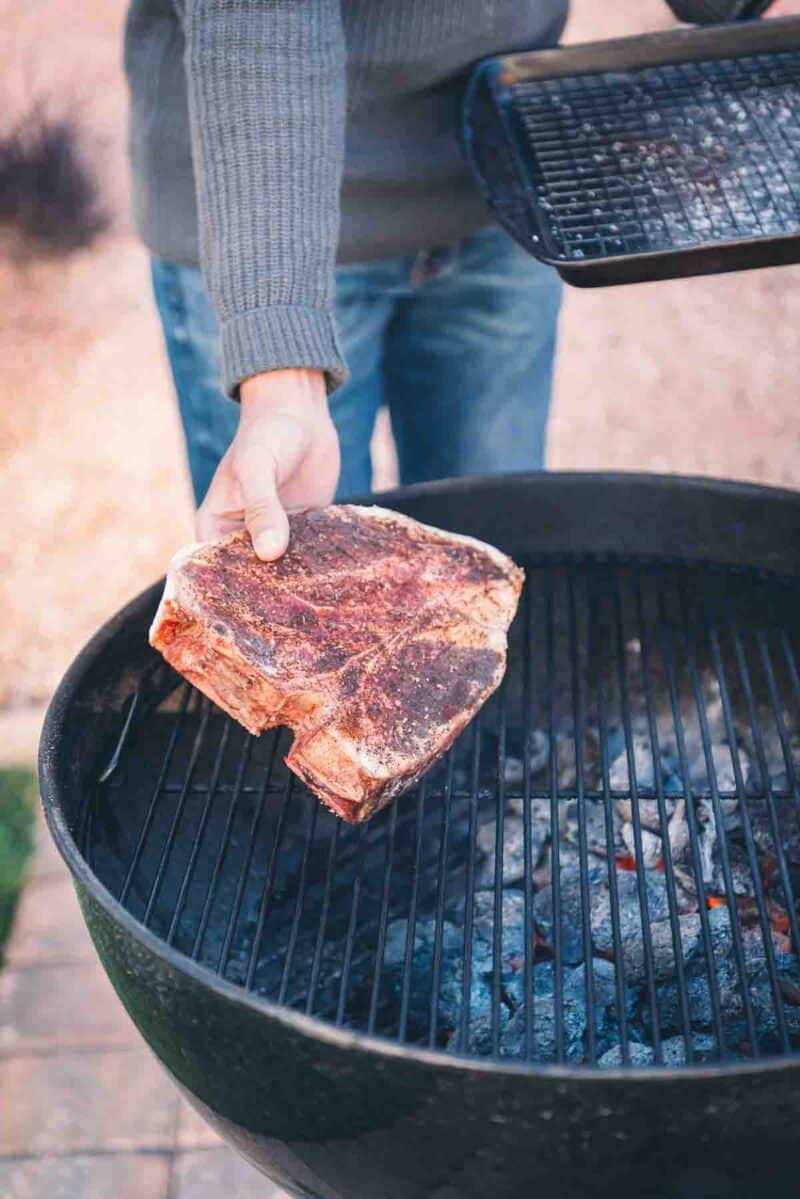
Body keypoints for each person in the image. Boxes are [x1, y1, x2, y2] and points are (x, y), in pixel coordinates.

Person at [124, 0, 776, 561]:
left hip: (505, 175)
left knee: (491, 565)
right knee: (297, 617)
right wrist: (278, 362)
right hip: (264, 217)